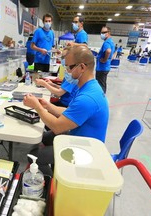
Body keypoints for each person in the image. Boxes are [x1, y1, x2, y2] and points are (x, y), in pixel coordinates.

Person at [23, 46, 109, 176]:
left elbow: (58, 127)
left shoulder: (87, 98)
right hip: (80, 136)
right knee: (45, 137)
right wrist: (48, 106)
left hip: (86, 149)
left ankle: (53, 183)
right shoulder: (89, 87)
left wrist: (37, 107)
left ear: (82, 67)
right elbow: (70, 112)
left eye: (69, 67)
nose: (67, 71)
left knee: (34, 156)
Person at [95, 26, 115, 93]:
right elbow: (113, 53)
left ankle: (100, 99)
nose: (102, 34)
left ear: (108, 33)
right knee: (102, 84)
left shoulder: (107, 42)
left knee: (100, 86)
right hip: (105, 67)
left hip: (101, 68)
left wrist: (104, 60)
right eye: (101, 32)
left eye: (104, 32)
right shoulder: (111, 42)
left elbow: (108, 51)